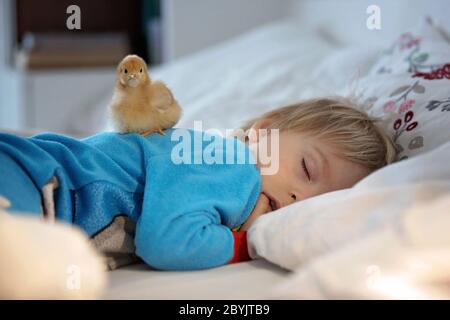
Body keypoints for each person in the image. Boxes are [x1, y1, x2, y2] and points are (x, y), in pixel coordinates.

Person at [0, 97, 395, 270]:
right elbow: (166, 243)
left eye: (317, 201)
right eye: (308, 169)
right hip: (38, 182)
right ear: (266, 131)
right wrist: (245, 246)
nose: (299, 198)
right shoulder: (234, 165)